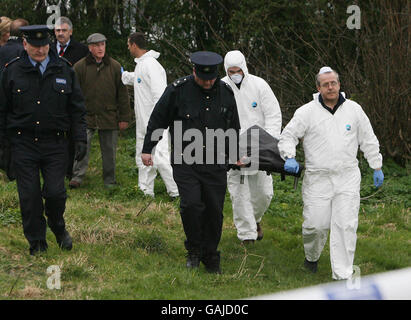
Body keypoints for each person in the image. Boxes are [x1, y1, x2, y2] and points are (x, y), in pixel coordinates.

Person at [278, 66, 384, 280]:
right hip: (318, 178)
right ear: (318, 88)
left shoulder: (354, 110)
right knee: (315, 225)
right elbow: (288, 136)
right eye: (325, 84)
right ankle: (312, 256)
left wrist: (376, 165)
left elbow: (368, 138)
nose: (330, 87)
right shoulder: (307, 112)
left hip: (347, 176)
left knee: (345, 225)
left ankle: (343, 274)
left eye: (333, 83)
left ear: (339, 84)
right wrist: (289, 156)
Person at [141, 51, 242, 273]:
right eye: (203, 79)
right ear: (194, 71)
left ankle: (210, 254)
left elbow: (233, 125)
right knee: (191, 206)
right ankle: (194, 249)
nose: (207, 83)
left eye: (211, 79)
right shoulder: (178, 91)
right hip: (186, 160)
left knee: (214, 211)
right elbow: (158, 118)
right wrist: (148, 148)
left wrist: (234, 153)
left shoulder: (225, 92)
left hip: (215, 162)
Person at [0, 25, 87, 255]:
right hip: (23, 143)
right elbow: (2, 110)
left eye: (44, 46)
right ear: (25, 44)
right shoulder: (12, 71)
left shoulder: (65, 70)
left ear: (49, 45)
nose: (40, 51)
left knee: (56, 193)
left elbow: (77, 108)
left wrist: (80, 139)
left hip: (55, 144)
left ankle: (58, 227)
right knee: (29, 197)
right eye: (35, 46)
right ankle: (37, 241)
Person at [222, 50, 282, 245]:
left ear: (244, 68)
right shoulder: (221, 87)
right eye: (231, 71)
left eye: (238, 70)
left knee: (264, 193)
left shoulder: (259, 85)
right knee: (239, 194)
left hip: (260, 147)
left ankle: (255, 219)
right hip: (234, 149)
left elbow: (273, 115)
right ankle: (247, 235)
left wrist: (269, 143)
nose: (235, 74)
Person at [69, 33, 130, 188]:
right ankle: (77, 177)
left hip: (109, 115)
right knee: (82, 146)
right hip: (86, 115)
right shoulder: (80, 67)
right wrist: (74, 116)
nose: (100, 48)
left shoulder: (115, 66)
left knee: (109, 150)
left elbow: (123, 94)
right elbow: (73, 93)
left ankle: (109, 180)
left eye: (102, 44)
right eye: (96, 45)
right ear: (90, 48)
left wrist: (124, 117)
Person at [121, 32, 178, 198]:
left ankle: (176, 192)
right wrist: (124, 76)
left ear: (134, 44)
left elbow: (160, 95)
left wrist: (158, 121)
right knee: (143, 156)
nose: (128, 48)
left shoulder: (152, 65)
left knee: (161, 157)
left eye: (128, 44)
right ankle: (145, 191)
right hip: (142, 122)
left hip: (156, 123)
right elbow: (138, 79)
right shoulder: (141, 65)